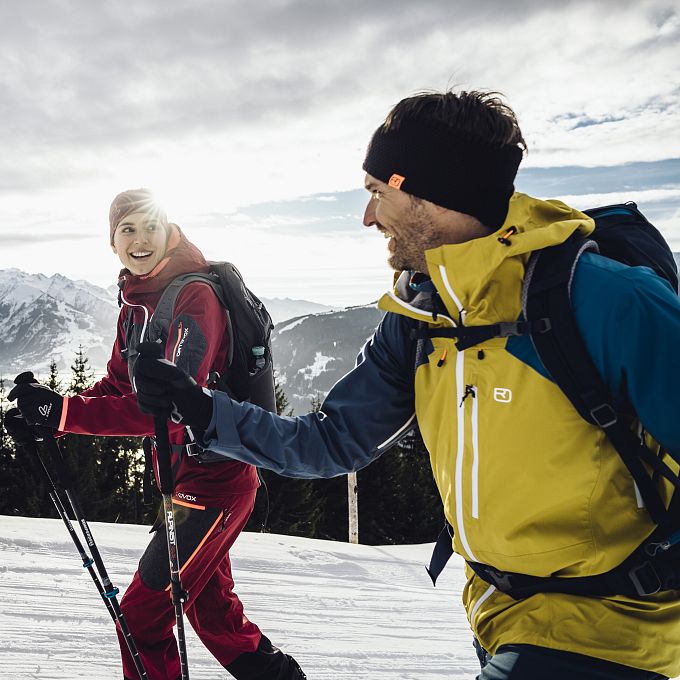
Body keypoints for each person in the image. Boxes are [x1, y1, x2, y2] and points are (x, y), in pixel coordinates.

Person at [131, 91, 680, 680]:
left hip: (616, 624)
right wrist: (204, 410)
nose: (368, 217)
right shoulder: (423, 316)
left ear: (432, 194)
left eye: (377, 194)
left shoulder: (603, 300)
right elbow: (332, 440)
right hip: (499, 613)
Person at [6, 189, 306, 680]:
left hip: (214, 482)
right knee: (212, 610)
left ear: (170, 230)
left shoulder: (195, 298)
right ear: (112, 241)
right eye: (127, 229)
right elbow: (120, 386)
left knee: (141, 615)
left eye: (150, 226)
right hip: (183, 478)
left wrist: (65, 414)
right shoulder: (134, 302)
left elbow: (168, 409)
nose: (140, 239)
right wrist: (51, 414)